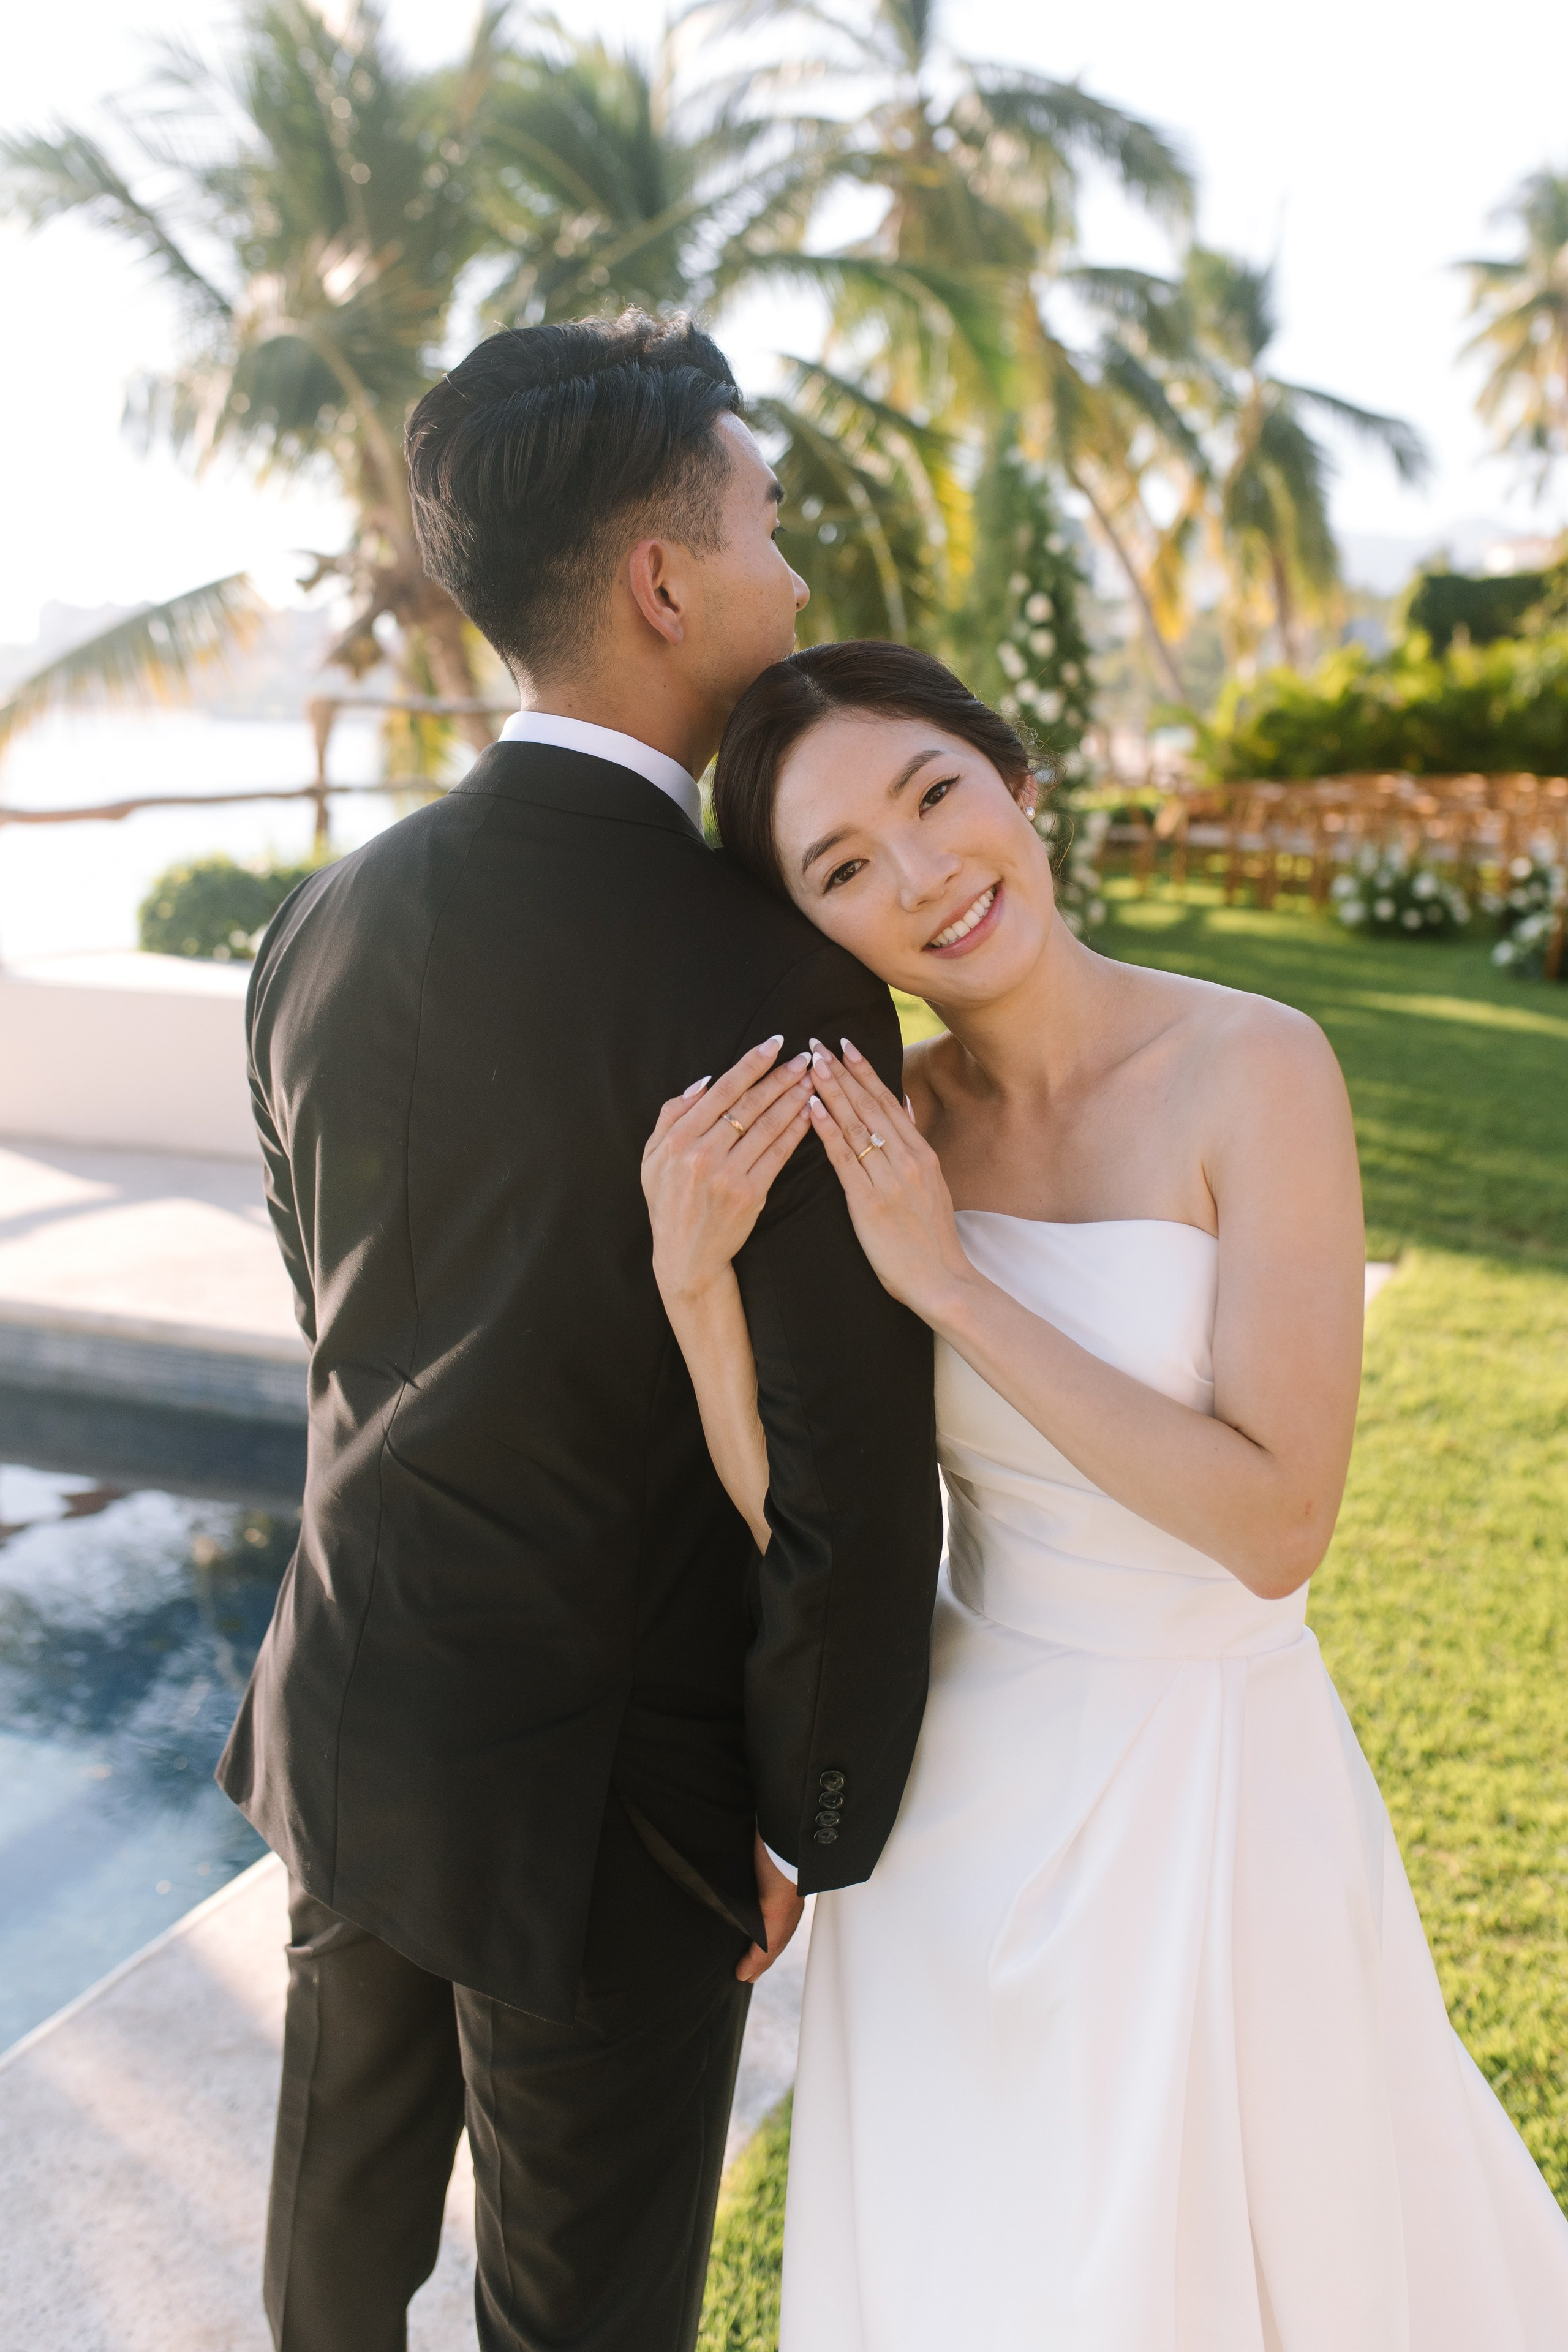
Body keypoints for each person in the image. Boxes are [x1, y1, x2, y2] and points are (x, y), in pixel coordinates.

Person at [641, 638, 1568, 2350]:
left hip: (1214, 1781)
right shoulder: (885, 1127)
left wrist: (956, 1286)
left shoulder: (1253, 1066)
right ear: (810, 927)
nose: (922, 873)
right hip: (953, 1808)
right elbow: (812, 1527)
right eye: (844, 868)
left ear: (1018, 781)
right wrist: (698, 1291)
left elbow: (1279, 1523)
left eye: (936, 794)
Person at [217, 319, 941, 2352]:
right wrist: (806, 1799)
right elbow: (841, 1458)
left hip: (353, 1705)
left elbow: (332, 1305)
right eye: (772, 525)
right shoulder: (773, 969)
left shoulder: (325, 917)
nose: (794, 578)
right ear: (661, 581)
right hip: (617, 1809)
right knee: (584, 2318)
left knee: (333, 2263)